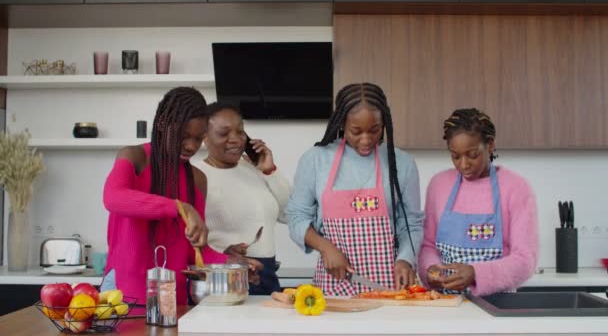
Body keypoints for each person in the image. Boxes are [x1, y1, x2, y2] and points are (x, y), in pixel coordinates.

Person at [101, 87, 257, 305]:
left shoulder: (197, 179)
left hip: (171, 299)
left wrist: (232, 263)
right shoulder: (135, 157)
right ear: (163, 125)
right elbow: (113, 198)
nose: (192, 146)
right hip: (123, 293)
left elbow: (197, 252)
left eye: (198, 138)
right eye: (183, 136)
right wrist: (180, 207)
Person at [287, 83, 424, 296]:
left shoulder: (401, 163)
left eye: (375, 130)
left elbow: (412, 223)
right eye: (356, 131)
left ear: (385, 123)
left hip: (391, 288)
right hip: (335, 286)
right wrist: (325, 247)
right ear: (341, 123)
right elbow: (296, 217)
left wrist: (406, 258)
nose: (366, 139)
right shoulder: (316, 160)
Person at [418, 108, 538, 296]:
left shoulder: (516, 188)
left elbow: (525, 260)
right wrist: (431, 270)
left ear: (490, 145)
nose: (464, 164)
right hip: (445, 305)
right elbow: (428, 245)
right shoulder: (439, 185)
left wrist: (476, 273)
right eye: (455, 156)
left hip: (497, 306)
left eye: (473, 155)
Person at [198, 102, 291, 295]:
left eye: (240, 132)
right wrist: (221, 254)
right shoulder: (197, 175)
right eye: (224, 134)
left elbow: (289, 215)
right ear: (204, 137)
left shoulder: (253, 169)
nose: (235, 140)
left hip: (267, 276)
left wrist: (270, 172)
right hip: (225, 278)